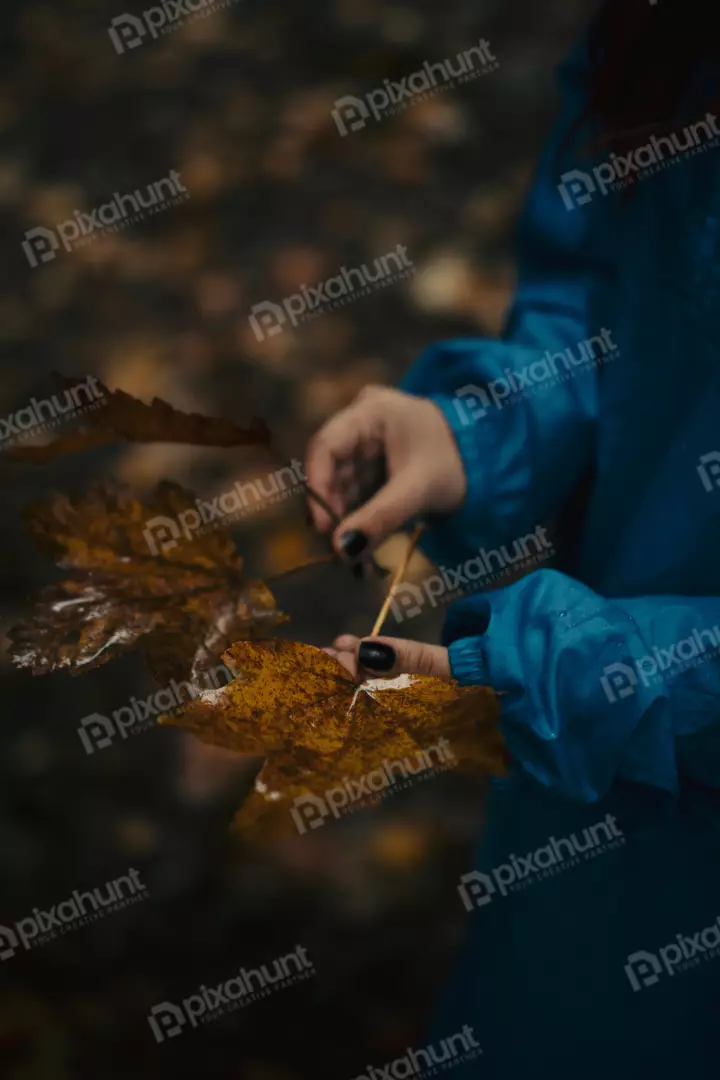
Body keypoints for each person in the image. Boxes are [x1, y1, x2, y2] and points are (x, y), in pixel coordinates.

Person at [304, 0, 720, 1075]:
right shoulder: (670, 29)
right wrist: (482, 432)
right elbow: (605, 290)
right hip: (600, 822)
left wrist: (610, 681)